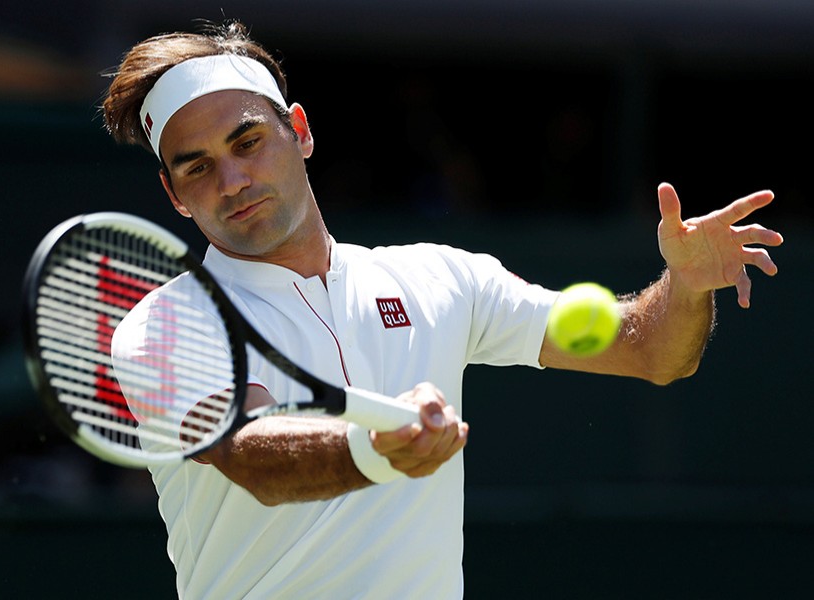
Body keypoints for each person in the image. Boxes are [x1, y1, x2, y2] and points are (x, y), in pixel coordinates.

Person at [102, 20, 783, 599]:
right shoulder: (166, 327)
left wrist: (687, 285)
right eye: (197, 167)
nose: (233, 180)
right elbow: (250, 455)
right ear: (175, 195)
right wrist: (374, 453)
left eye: (247, 142)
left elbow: (652, 351)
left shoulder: (438, 278)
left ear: (299, 132)